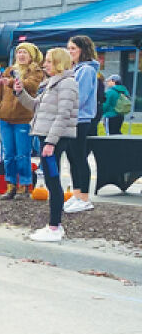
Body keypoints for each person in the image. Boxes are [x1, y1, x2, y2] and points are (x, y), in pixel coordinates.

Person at [17, 48, 79, 242]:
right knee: (52, 179)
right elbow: (37, 107)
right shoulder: (52, 83)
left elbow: (63, 115)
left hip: (54, 137)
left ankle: (54, 226)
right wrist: (20, 93)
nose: (45, 65)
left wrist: (51, 141)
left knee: (52, 179)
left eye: (50, 62)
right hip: (45, 135)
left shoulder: (67, 83)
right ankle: (53, 225)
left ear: (59, 62)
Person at [0, 43, 44, 200]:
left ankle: (24, 186)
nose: (21, 55)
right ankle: (10, 184)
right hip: (5, 118)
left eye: (25, 52)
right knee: (8, 155)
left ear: (31, 55)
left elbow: (31, 86)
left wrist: (13, 81)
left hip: (23, 118)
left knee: (22, 154)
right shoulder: (8, 70)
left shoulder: (36, 71)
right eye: (19, 52)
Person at [66, 35, 99, 213]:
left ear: (82, 50)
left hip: (80, 119)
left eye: (73, 48)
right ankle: (77, 195)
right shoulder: (76, 69)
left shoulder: (86, 70)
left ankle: (84, 198)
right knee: (73, 158)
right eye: (69, 48)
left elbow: (81, 96)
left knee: (79, 158)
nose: (70, 52)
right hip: (73, 118)